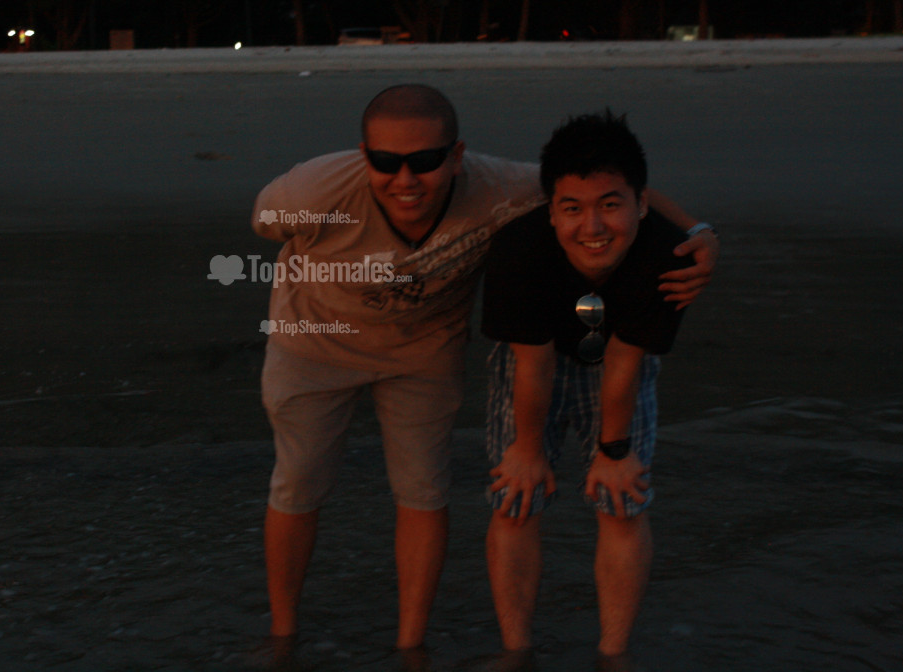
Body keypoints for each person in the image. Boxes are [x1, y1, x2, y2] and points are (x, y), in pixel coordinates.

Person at [251, 85, 717, 652]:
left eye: (426, 160)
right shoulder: (314, 191)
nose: (406, 179)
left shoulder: (505, 189)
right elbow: (265, 223)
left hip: (421, 352)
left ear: (456, 155)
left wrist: (698, 231)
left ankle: (412, 648)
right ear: (364, 154)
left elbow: (604, 189)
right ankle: (282, 636)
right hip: (313, 343)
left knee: (425, 491)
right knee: (299, 483)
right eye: (386, 161)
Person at [481, 110, 702, 670]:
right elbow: (532, 365)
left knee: (622, 502)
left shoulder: (667, 255)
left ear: (641, 203)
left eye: (610, 204)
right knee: (516, 500)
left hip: (618, 364)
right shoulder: (518, 250)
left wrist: (614, 451)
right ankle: (516, 651)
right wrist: (527, 449)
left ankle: (613, 656)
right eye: (573, 209)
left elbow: (624, 364)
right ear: (551, 211)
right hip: (535, 362)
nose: (593, 227)